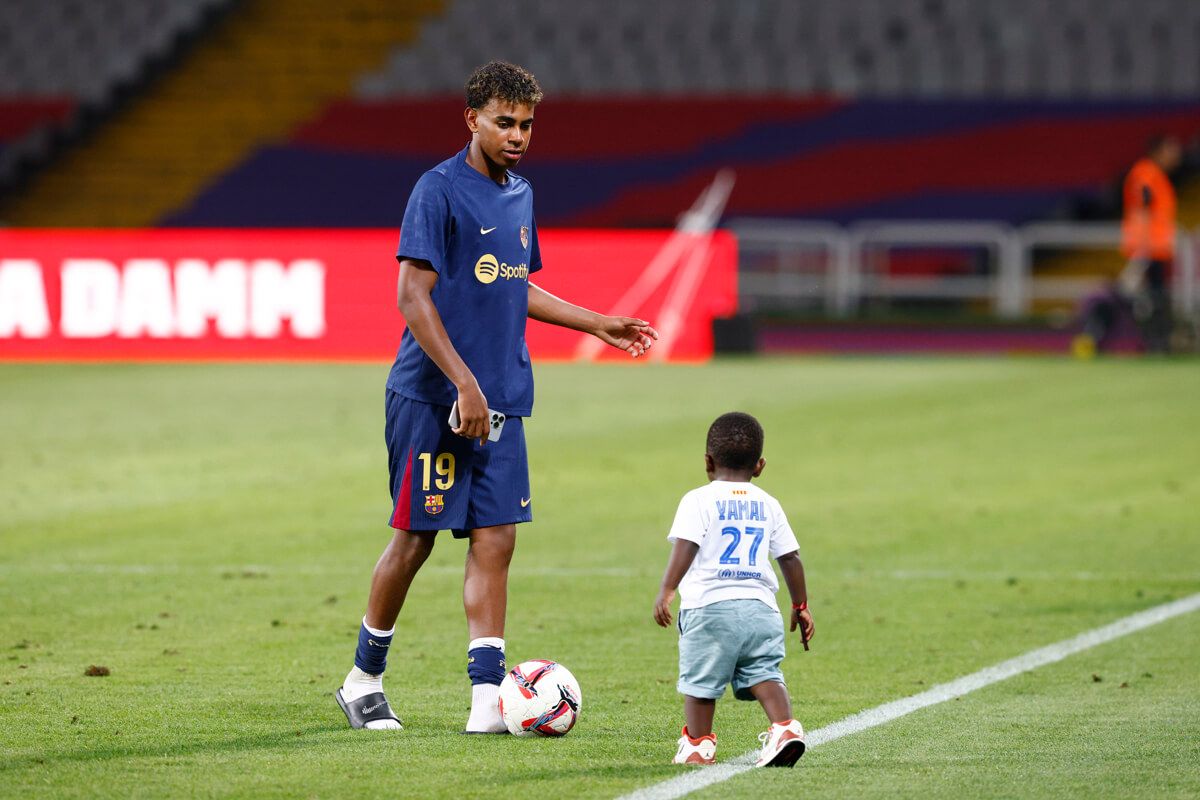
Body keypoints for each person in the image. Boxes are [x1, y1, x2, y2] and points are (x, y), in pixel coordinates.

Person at [336, 61, 658, 733]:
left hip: (502, 396)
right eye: (505, 122)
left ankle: (488, 700)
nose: (518, 135)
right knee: (416, 539)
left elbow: (516, 286)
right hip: (433, 398)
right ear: (472, 120)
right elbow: (410, 296)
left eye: (527, 124)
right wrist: (463, 382)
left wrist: (596, 320)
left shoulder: (520, 194)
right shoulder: (438, 190)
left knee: (496, 540)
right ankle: (363, 680)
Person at [653, 412, 814, 767]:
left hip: (709, 608)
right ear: (760, 466)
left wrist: (667, 589)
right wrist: (800, 605)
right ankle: (785, 727)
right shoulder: (769, 504)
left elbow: (687, 545)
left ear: (708, 461)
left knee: (700, 684)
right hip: (761, 609)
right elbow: (791, 558)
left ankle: (697, 744)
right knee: (766, 674)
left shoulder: (697, 500)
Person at [1119, 133, 1182, 353]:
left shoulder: (1157, 175)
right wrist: (1142, 247)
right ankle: (1152, 342)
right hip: (1148, 248)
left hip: (1156, 247)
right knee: (1145, 298)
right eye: (1172, 150)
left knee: (1154, 297)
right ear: (1158, 151)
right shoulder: (1146, 172)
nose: (1177, 156)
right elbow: (1142, 206)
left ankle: (1156, 342)